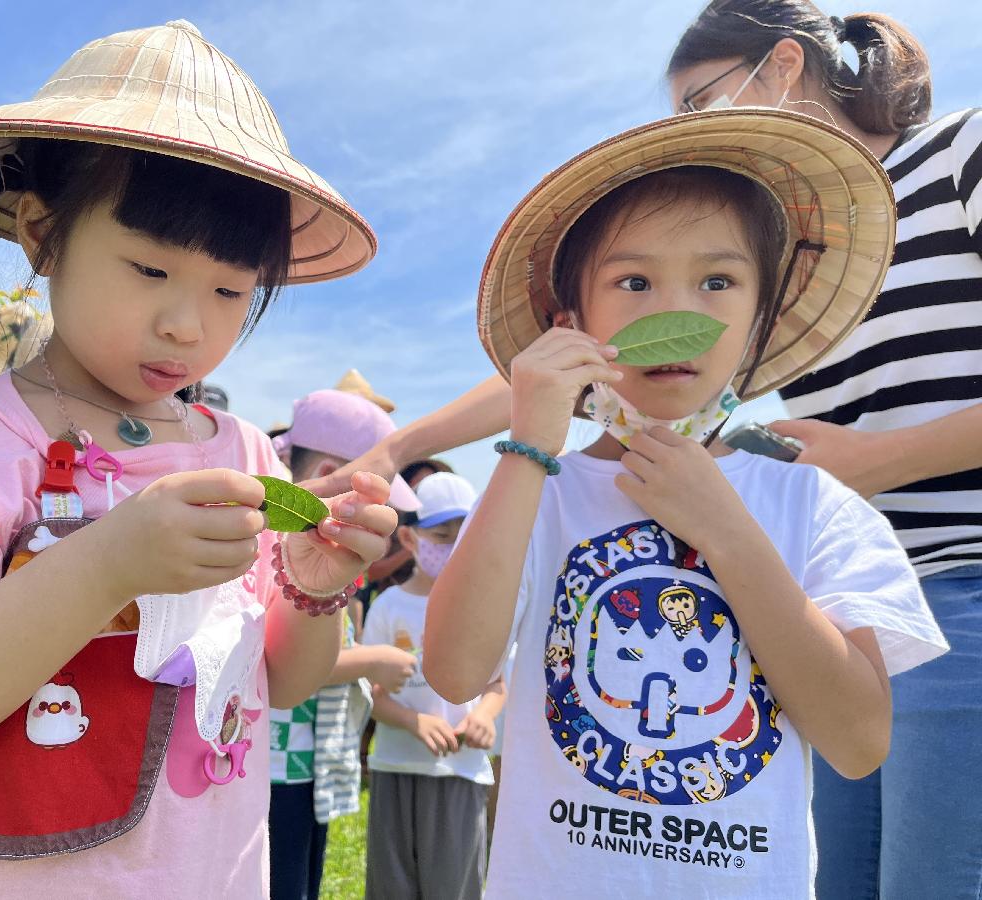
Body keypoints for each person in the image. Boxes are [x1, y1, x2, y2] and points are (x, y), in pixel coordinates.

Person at [0, 21, 397, 899]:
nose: (189, 325)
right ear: (42, 234)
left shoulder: (242, 452)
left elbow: (282, 684)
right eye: (149, 270)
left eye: (230, 290)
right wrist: (105, 562)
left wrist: (316, 580)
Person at [423, 109, 947, 898]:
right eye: (633, 282)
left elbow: (858, 741)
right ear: (572, 324)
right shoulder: (539, 493)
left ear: (759, 316)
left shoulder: (814, 505)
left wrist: (728, 532)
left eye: (718, 281)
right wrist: (529, 446)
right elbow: (457, 671)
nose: (679, 315)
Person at [664, 6, 982, 895]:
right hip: (852, 621)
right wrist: (400, 449)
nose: (695, 138)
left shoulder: (961, 152)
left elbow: (869, 454)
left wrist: (881, 460)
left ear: (785, 65)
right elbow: (615, 346)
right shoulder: (797, 262)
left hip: (968, 588)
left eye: (702, 104)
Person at [268, 389, 418, 900]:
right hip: (273, 768)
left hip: (309, 765)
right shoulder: (270, 549)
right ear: (339, 473)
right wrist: (371, 660)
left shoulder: (331, 563)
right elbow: (270, 662)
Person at [362, 472, 503, 900]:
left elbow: (497, 683)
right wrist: (411, 720)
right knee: (392, 883)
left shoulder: (481, 603)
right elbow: (370, 693)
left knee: (454, 884)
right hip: (395, 766)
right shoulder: (388, 605)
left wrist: (482, 717)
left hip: (461, 771)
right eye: (441, 535)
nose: (452, 547)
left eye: (463, 535)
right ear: (409, 538)